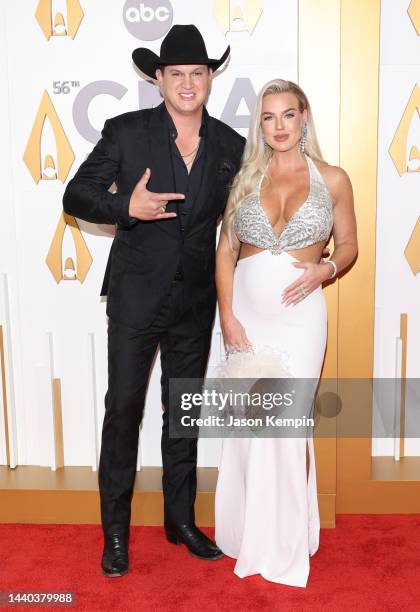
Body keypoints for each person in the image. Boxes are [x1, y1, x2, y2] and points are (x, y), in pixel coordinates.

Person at [62, 24, 245, 577]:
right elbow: (75, 194)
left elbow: (239, 225)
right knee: (123, 412)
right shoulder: (127, 133)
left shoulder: (232, 146)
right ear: (158, 78)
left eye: (197, 73)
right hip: (136, 298)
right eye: (176, 73)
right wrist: (126, 209)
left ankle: (180, 520)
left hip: (194, 304)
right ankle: (114, 532)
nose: (187, 83)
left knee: (182, 414)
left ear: (210, 78)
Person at [214, 79, 357, 587]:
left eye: (287, 115)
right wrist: (227, 317)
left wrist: (326, 270)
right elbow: (226, 251)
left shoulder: (333, 179)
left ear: (304, 117)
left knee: (287, 426)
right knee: (253, 428)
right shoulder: (245, 180)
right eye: (268, 117)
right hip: (248, 317)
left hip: (300, 317)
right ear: (261, 124)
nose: (278, 126)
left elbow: (348, 246)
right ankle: (247, 535)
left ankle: (284, 542)